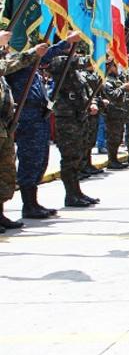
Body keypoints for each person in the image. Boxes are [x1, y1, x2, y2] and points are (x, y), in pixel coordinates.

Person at [8, 30, 81, 218]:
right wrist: (65, 42)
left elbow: (43, 56)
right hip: (27, 115)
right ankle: (28, 205)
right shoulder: (16, 64)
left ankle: (34, 202)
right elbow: (44, 54)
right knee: (29, 159)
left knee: (41, 160)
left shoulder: (32, 67)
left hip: (39, 115)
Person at [0, 32, 50, 228]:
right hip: (14, 122)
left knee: (6, 171)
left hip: (5, 125)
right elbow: (11, 64)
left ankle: (1, 213)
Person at [49, 46, 100, 207]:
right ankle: (70, 195)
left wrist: (91, 103)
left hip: (79, 116)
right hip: (67, 117)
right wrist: (100, 55)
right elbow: (71, 63)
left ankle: (77, 191)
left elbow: (86, 89)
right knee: (70, 157)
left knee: (79, 154)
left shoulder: (77, 72)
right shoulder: (58, 61)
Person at [101, 57, 129, 170]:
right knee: (113, 138)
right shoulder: (106, 80)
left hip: (120, 112)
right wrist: (123, 88)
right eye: (115, 65)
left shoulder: (116, 78)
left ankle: (114, 159)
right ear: (110, 67)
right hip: (112, 113)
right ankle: (112, 160)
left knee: (118, 137)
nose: (117, 67)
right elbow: (112, 95)